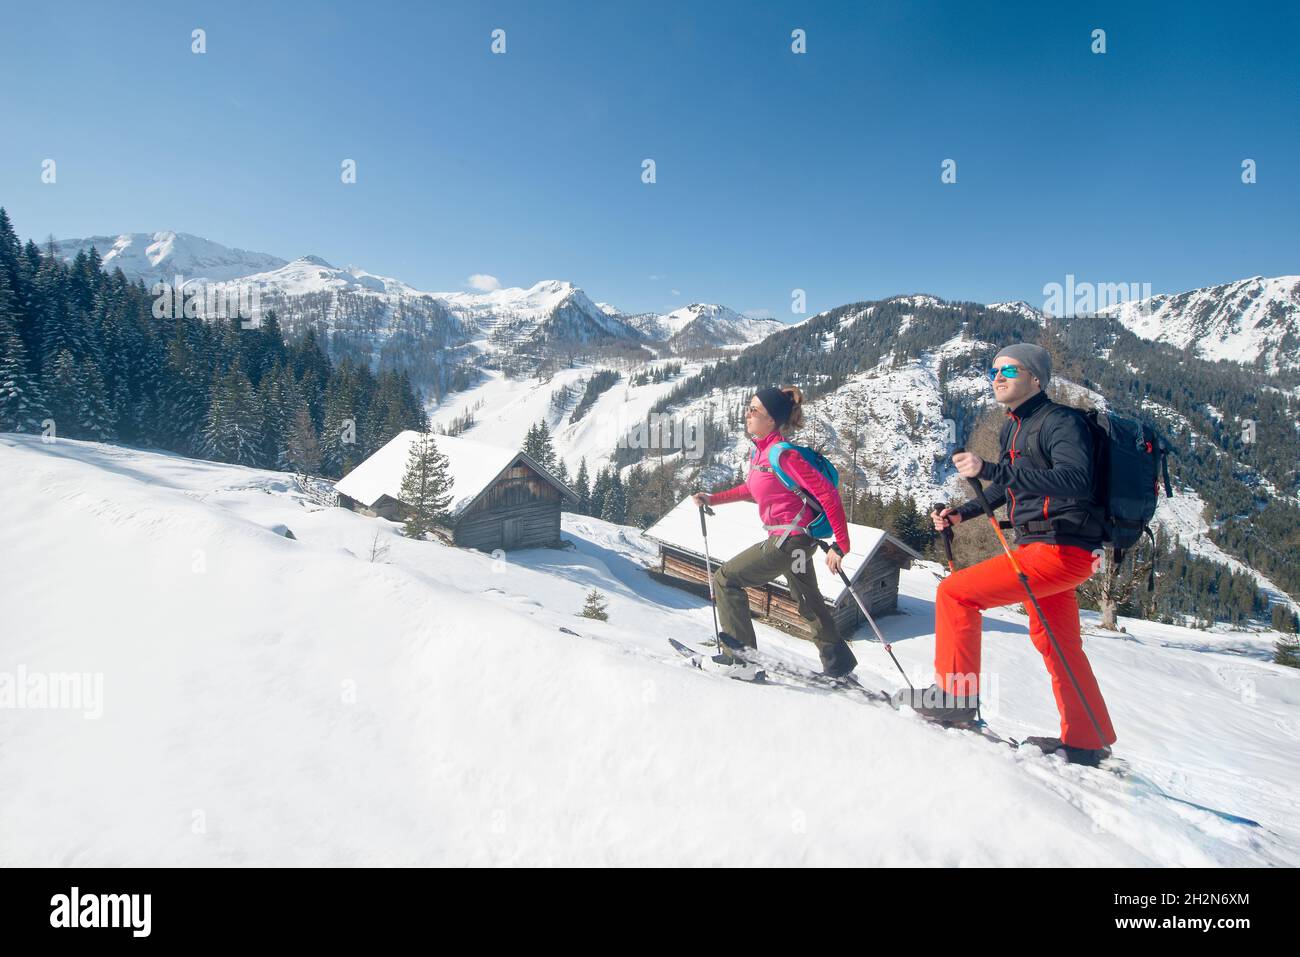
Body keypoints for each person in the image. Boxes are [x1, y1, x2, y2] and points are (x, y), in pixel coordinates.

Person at [903, 342, 1118, 766]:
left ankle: (955, 697)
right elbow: (1011, 485)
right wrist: (962, 513)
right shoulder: (1013, 427)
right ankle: (1087, 739)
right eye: (994, 370)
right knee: (1057, 642)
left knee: (956, 593)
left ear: (1036, 379)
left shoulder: (1061, 421)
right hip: (1050, 549)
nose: (998, 377)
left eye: (1010, 370)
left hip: (1060, 548)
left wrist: (991, 469)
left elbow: (1075, 480)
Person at [690, 386, 858, 677]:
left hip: (788, 542)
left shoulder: (782, 454)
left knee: (726, 579)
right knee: (808, 600)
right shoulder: (762, 454)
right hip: (799, 543)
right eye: (748, 407)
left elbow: (828, 494)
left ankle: (741, 660)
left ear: (772, 421)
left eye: (754, 410)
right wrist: (713, 498)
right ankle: (839, 665)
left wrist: (841, 545)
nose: (747, 414)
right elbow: (751, 490)